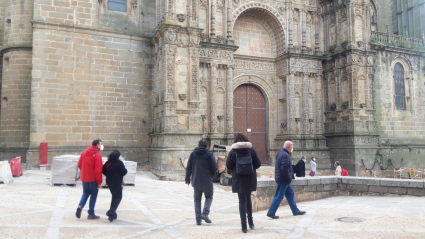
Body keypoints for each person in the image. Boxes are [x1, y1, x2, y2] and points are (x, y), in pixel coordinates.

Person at [226, 133, 261, 233]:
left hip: (239, 178)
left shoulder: (233, 151)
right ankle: (251, 222)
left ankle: (244, 226)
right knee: (248, 199)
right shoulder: (251, 150)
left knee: (242, 201)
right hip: (250, 178)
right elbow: (258, 164)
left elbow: (228, 166)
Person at [266, 141, 306, 219]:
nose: (292, 148)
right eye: (292, 146)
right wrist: (288, 178)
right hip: (283, 179)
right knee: (279, 196)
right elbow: (284, 169)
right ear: (289, 147)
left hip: (281, 178)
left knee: (290, 194)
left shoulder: (280, 153)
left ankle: (295, 211)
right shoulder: (285, 155)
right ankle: (271, 212)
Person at [185, 139, 218, 226]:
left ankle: (198, 220)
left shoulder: (193, 154)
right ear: (206, 146)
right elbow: (215, 167)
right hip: (207, 181)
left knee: (197, 200)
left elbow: (188, 167)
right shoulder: (210, 155)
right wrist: (211, 175)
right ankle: (205, 213)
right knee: (209, 197)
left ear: (199, 145)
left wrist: (187, 179)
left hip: (196, 181)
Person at [76, 139, 104, 219]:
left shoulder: (84, 153)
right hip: (93, 179)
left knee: (85, 193)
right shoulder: (97, 155)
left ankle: (80, 206)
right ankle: (91, 213)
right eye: (101, 144)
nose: (101, 145)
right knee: (93, 195)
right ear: (97, 145)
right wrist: (99, 182)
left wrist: (85, 171)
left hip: (84, 177)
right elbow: (98, 170)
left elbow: (79, 164)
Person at [103, 150, 127, 222]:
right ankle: (111, 211)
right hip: (117, 182)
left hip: (109, 182)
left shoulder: (107, 163)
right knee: (119, 197)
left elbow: (103, 170)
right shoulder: (119, 163)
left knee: (114, 196)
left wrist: (108, 175)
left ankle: (112, 215)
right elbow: (124, 172)